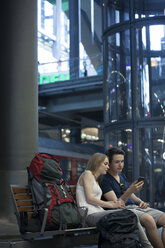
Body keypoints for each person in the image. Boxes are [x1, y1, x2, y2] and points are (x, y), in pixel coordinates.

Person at [76, 152, 151, 247]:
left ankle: (144, 245)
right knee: (131, 215)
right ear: (97, 163)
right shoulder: (87, 174)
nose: (108, 167)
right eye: (105, 164)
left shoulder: (95, 178)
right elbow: (90, 199)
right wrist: (111, 204)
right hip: (89, 214)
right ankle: (147, 246)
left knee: (131, 215)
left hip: (97, 212)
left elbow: (94, 199)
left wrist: (113, 203)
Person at [101, 147, 165, 248]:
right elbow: (116, 204)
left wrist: (140, 202)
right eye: (117, 162)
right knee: (149, 220)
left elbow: (133, 197)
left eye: (122, 161)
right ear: (109, 163)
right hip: (123, 211)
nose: (120, 165)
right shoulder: (104, 179)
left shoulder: (121, 176)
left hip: (134, 207)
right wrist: (130, 189)